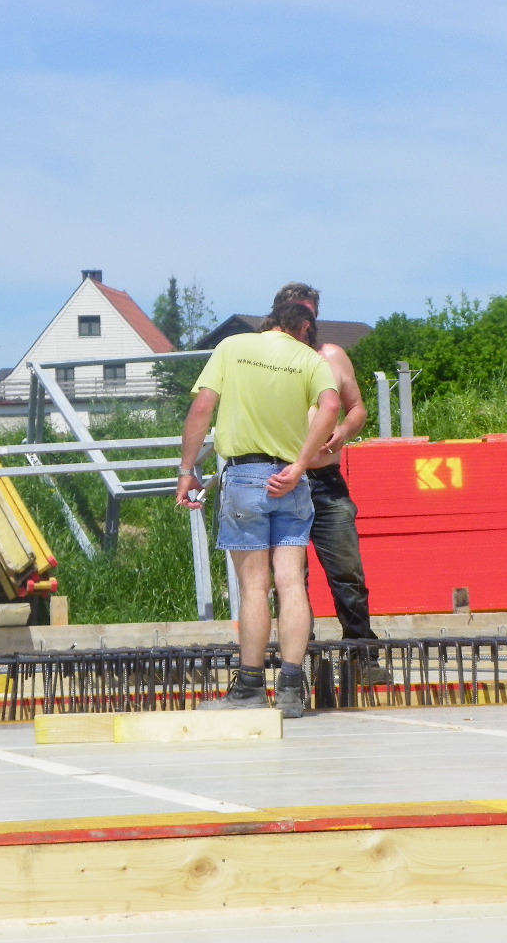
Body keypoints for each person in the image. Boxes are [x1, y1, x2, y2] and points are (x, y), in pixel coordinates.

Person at [176, 291, 339, 718]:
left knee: (254, 587)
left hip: (245, 477)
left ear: (271, 320)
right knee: (291, 583)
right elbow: (332, 406)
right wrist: (301, 463)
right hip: (291, 480)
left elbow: (202, 406)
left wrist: (187, 469)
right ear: (304, 327)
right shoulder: (310, 360)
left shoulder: (233, 347)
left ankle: (250, 688)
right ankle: (291, 690)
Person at [285, 283, 391, 686]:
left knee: (348, 573)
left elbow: (357, 406)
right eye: (297, 311)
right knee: (290, 579)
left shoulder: (331, 355)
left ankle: (362, 656)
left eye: (309, 312)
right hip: (285, 480)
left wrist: (344, 431)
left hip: (326, 480)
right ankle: (300, 661)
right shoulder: (273, 360)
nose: (304, 320)